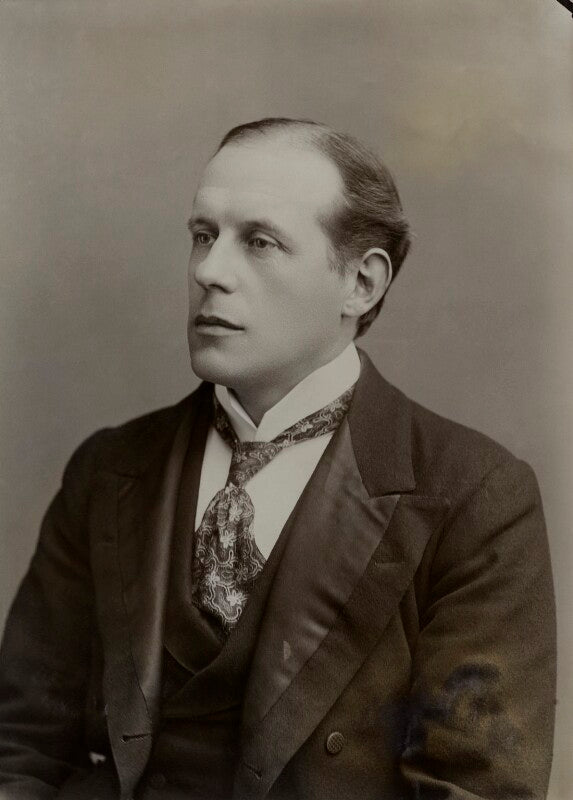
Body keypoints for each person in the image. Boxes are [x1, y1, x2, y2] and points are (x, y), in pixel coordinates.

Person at [0, 118, 556, 800]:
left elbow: (473, 789)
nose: (208, 271)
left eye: (259, 242)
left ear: (361, 283)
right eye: (203, 235)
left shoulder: (472, 496)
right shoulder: (109, 471)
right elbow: (20, 745)